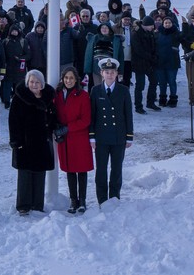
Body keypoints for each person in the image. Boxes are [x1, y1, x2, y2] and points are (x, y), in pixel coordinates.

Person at [7, 68, 57, 215]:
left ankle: (37, 204)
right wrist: (16, 141)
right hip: (25, 142)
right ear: (27, 83)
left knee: (39, 173)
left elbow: (52, 117)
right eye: (31, 81)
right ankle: (23, 205)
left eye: (37, 82)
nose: (34, 84)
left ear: (42, 84)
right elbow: (13, 121)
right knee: (25, 175)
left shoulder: (47, 99)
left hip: (42, 142)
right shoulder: (19, 98)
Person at [88, 58, 134, 205]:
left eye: (112, 72)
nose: (109, 75)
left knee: (116, 169)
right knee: (101, 170)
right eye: (106, 72)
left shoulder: (123, 90)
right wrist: (92, 136)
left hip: (118, 137)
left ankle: (114, 197)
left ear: (116, 74)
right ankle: (101, 198)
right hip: (101, 138)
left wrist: (129, 136)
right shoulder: (95, 91)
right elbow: (92, 116)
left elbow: (128, 114)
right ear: (101, 73)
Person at [53, 65, 92, 213]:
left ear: (76, 79)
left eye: (71, 78)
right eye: (66, 78)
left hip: (78, 137)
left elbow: (86, 119)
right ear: (63, 79)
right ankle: (73, 200)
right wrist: (56, 126)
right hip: (65, 138)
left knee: (81, 169)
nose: (68, 80)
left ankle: (82, 200)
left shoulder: (83, 95)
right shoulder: (57, 94)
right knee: (69, 169)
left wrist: (68, 128)